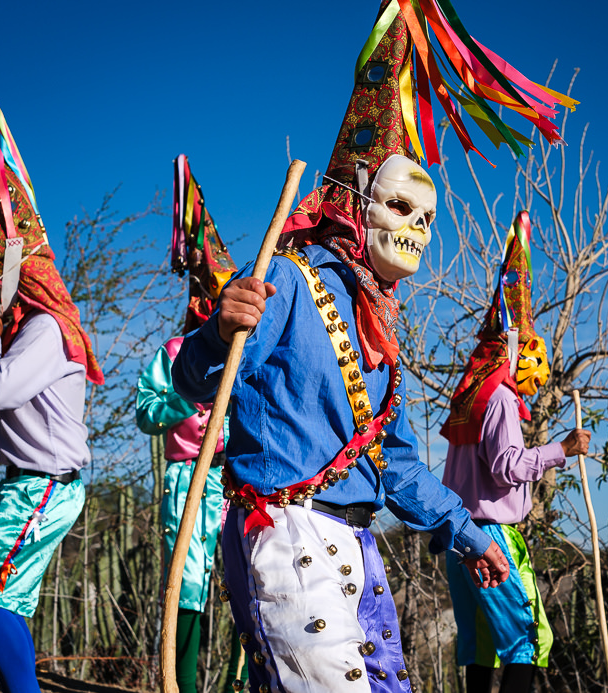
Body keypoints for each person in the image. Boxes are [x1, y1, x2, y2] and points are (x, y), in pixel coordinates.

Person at [170, 5, 521, 691]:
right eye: (399, 208)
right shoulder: (286, 277)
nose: (416, 228)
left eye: (426, 217)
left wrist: (466, 530)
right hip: (284, 536)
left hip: (360, 546)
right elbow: (194, 380)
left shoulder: (380, 329)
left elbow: (392, 459)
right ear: (357, 200)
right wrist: (216, 332)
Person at [0, 102, 103, 693]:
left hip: (45, 486)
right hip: (27, 484)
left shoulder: (47, 331)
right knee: (2, 602)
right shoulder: (18, 328)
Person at [440, 211, 591, 693]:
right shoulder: (501, 398)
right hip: (490, 537)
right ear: (510, 347)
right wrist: (560, 449)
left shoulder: (468, 397)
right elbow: (506, 467)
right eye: (525, 344)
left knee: (480, 645)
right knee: (527, 640)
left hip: (460, 538)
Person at [135, 155, 247, 693]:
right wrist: (188, 401)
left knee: (248, 585)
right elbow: (146, 411)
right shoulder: (174, 351)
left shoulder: (248, 352)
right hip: (187, 482)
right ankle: (179, 684)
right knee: (187, 589)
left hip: (239, 482)